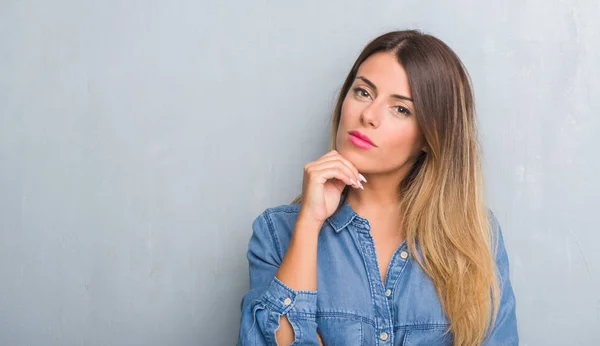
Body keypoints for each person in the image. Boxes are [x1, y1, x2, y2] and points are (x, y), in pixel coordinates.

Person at [237, 30, 518, 346]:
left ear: (429, 137)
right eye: (362, 92)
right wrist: (309, 223)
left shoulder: (476, 237)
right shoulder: (277, 233)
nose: (368, 116)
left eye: (401, 109)